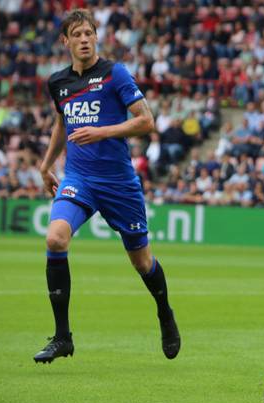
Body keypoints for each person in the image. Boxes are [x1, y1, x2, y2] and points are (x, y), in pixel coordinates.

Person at [33, 9, 179, 364]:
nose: (84, 39)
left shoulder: (115, 74)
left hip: (118, 184)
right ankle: (63, 336)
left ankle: (164, 311)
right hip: (78, 179)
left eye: (89, 33)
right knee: (55, 238)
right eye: (77, 34)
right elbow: (60, 124)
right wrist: (46, 165)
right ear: (65, 41)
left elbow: (146, 121)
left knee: (142, 262)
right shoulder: (58, 82)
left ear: (96, 37)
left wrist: (102, 131)